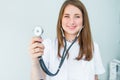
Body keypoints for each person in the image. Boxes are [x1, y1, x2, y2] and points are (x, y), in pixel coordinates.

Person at [29, 0, 105, 80]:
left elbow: (95, 77)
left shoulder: (93, 47)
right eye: (67, 16)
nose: (72, 22)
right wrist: (35, 61)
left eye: (77, 16)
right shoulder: (48, 46)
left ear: (84, 21)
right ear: (60, 20)